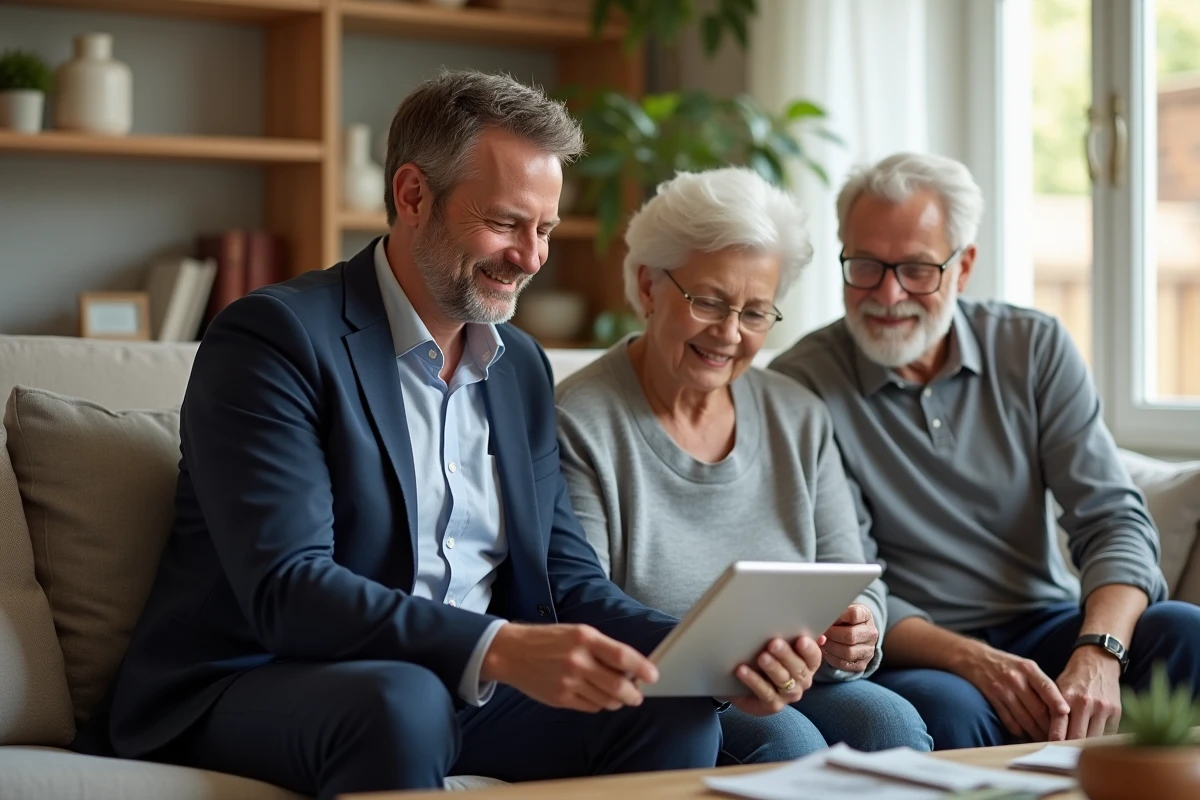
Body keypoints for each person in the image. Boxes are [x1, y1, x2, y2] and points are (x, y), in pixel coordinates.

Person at [100, 71, 741, 800]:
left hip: (458, 685)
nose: (531, 258)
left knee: (670, 706)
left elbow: (568, 582)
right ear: (412, 197)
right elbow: (289, 588)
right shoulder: (275, 338)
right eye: (505, 223)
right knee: (403, 702)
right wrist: (497, 647)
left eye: (546, 230)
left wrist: (712, 651)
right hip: (260, 678)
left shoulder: (519, 364)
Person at [769, 152, 1200, 750]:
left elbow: (1113, 520)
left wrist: (1099, 650)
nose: (888, 294)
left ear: (963, 266)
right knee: (950, 713)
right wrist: (975, 660)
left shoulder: (1034, 346)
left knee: (1187, 632)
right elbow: (848, 576)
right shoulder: (800, 384)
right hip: (917, 645)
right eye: (864, 265)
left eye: (918, 269)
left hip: (1046, 620)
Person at [555, 167, 933, 765]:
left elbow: (854, 573)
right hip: (672, 692)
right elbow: (581, 602)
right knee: (790, 745)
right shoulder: (580, 420)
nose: (729, 333)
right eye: (709, 301)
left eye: (756, 312)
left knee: (891, 722)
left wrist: (861, 630)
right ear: (649, 285)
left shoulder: (798, 415)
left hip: (803, 679)